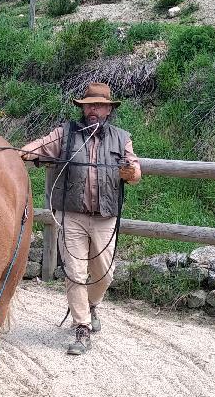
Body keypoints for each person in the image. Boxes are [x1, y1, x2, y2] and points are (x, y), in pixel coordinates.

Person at [20, 82, 141, 355]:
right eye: (89, 105)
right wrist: (17, 154)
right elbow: (39, 147)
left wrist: (128, 173)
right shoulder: (66, 134)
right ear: (83, 108)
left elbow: (135, 173)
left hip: (105, 216)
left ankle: (91, 304)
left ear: (109, 110)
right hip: (71, 214)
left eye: (99, 105)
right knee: (74, 273)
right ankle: (82, 328)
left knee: (105, 274)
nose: (93, 110)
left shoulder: (122, 137)